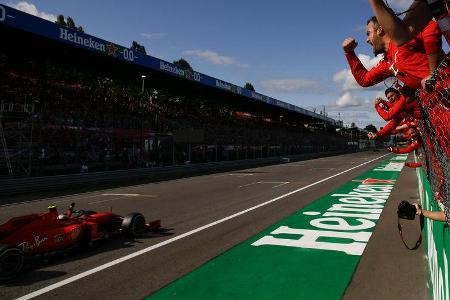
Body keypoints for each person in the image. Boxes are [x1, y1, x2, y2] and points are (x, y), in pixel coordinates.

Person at [342, 16, 443, 90]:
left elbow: (429, 25)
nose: (367, 40)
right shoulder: (387, 62)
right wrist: (349, 53)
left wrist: (432, 72)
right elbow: (364, 80)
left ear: (380, 30)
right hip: (439, 107)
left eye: (369, 33)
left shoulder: (400, 38)